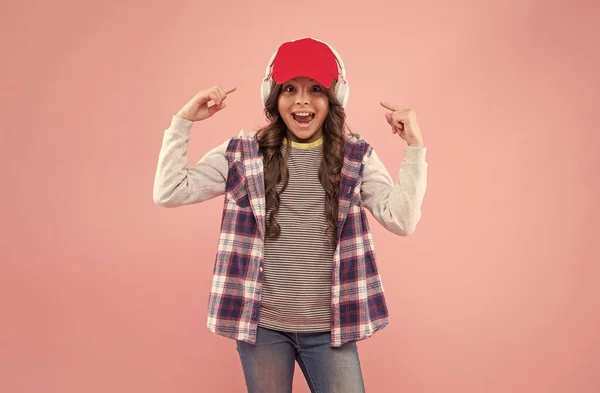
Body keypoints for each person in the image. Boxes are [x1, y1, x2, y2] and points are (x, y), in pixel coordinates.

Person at [153, 37, 428, 393]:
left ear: (334, 97)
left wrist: (415, 148)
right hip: (262, 327)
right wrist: (182, 121)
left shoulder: (356, 157)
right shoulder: (244, 154)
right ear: (273, 96)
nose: (301, 100)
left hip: (331, 328)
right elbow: (169, 190)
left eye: (315, 89)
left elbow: (402, 220)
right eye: (289, 89)